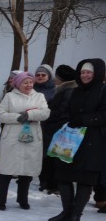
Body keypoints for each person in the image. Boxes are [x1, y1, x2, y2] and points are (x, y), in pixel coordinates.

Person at [48, 59, 106, 221]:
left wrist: (84, 119)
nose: (85, 75)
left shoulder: (103, 91)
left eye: (89, 72)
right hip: (71, 140)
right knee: (63, 175)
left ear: (97, 73)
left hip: (93, 142)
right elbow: (65, 111)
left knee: (85, 179)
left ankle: (76, 215)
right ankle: (66, 211)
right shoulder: (75, 91)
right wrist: (67, 121)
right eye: (82, 72)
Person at [0, 71, 50, 210]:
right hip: (12, 137)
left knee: (27, 171)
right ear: (18, 84)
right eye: (25, 82)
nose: (29, 85)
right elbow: (0, 115)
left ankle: (22, 199)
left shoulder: (39, 96)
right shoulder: (9, 96)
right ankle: (1, 200)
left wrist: (29, 114)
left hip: (32, 138)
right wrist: (18, 118)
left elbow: (45, 113)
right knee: (7, 170)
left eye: (31, 82)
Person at [39, 64, 77, 194]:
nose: (55, 78)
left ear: (62, 78)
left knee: (54, 158)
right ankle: (48, 183)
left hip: (57, 128)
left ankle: (53, 185)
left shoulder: (68, 91)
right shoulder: (63, 89)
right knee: (50, 157)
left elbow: (62, 111)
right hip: (54, 127)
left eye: (56, 76)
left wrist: (47, 114)